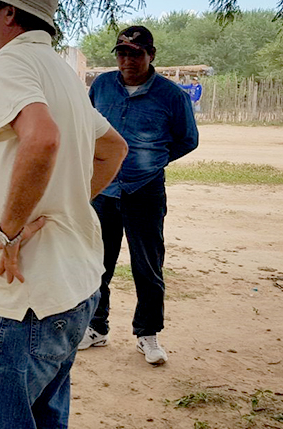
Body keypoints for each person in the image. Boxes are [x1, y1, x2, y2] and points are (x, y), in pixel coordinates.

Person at [0, 0, 128, 428]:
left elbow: (42, 139)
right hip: (70, 288)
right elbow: (113, 150)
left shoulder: (12, 61)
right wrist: (63, 202)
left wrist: (8, 232)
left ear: (9, 13)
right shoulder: (61, 71)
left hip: (24, 303)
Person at [80, 25, 199, 364]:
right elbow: (89, 127)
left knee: (147, 266)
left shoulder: (171, 96)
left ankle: (148, 334)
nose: (128, 60)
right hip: (103, 190)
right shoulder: (101, 86)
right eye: (122, 53)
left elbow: (187, 140)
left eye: (136, 53)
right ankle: (96, 328)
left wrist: (153, 160)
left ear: (151, 56)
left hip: (145, 191)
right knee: (97, 263)